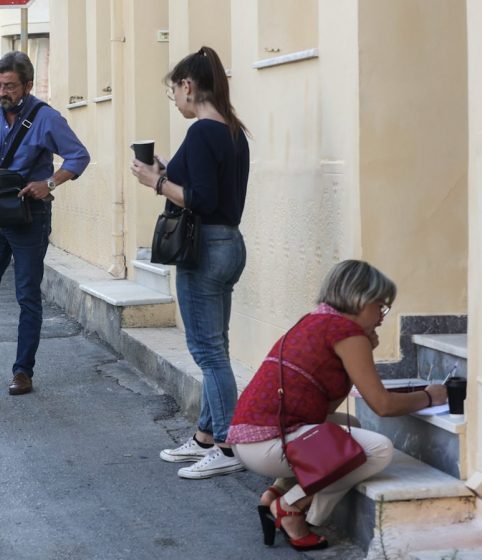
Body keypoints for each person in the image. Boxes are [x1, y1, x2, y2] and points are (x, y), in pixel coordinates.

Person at [227, 260, 448, 551]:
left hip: (252, 439)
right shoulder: (347, 332)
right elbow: (382, 405)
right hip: (268, 443)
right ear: (359, 298)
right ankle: (291, 508)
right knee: (378, 449)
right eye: (379, 306)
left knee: (350, 426)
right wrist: (432, 396)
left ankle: (276, 492)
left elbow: (325, 405)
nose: (381, 317)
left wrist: (361, 353)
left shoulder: (316, 320)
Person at [130, 46, 250, 478]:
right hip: (229, 244)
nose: (175, 101)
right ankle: (205, 435)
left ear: (188, 86)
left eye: (174, 93)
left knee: (208, 351)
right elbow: (209, 188)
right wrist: (165, 172)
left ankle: (229, 447)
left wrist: (155, 180)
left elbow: (201, 199)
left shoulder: (202, 132)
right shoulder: (233, 131)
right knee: (217, 346)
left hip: (205, 250)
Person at [0, 50, 90, 396]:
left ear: (27, 85)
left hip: (31, 214)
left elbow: (79, 156)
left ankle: (23, 371)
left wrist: (49, 183)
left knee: (27, 294)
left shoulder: (46, 117)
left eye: (9, 86)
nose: (2, 92)